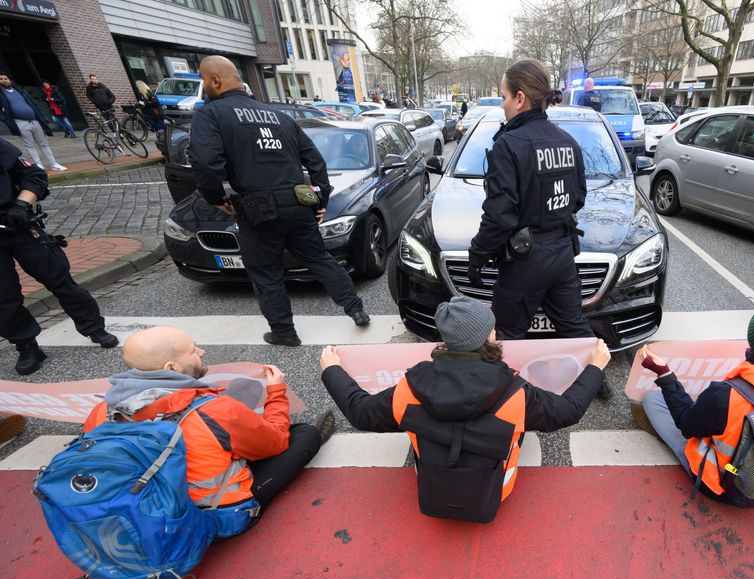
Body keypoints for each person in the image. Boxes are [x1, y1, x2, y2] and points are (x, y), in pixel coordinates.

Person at [319, 296, 611, 521]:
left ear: (446, 341)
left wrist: (332, 369)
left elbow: (360, 412)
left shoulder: (409, 388)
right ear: (489, 338)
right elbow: (567, 410)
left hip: (432, 485)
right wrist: (596, 367)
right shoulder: (516, 392)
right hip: (497, 490)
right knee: (519, 427)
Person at [83, 325, 334, 538]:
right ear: (171, 368)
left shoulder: (101, 410)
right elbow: (276, 442)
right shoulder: (214, 411)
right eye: (193, 350)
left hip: (139, 515)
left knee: (224, 427)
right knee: (302, 435)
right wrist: (276, 392)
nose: (201, 352)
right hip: (212, 519)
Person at [188, 55, 370, 347]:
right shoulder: (279, 116)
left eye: (202, 79)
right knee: (320, 260)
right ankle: (355, 308)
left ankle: (284, 332)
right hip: (297, 205)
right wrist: (320, 197)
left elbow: (205, 163)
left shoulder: (210, 115)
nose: (203, 85)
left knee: (266, 272)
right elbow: (315, 160)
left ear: (215, 80)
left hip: (257, 210)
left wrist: (216, 198)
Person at [466, 58, 611, 399]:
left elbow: (499, 215)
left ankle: (500, 396)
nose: (501, 104)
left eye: (502, 96)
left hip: (524, 261)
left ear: (519, 98)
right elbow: (578, 198)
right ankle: (597, 381)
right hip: (561, 254)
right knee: (573, 325)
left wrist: (478, 256)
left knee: (507, 333)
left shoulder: (508, 145)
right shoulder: (567, 142)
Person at [636, 301, 754, 507]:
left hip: (724, 488)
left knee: (653, 400)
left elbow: (686, 424)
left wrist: (665, 374)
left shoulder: (724, 395)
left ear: (752, 342)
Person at [0, 138, 116, 375]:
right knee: (3, 297)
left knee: (58, 278)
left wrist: (22, 204)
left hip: (16, 223)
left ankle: (93, 327)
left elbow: (34, 175)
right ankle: (27, 345)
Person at [0, 73, 65, 172]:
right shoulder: (1, 95)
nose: (4, 80)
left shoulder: (21, 91)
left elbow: (35, 105)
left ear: (10, 80)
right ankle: (38, 165)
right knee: (29, 145)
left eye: (6, 78)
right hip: (20, 122)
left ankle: (54, 164)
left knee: (43, 144)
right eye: (1, 79)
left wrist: (42, 117)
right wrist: (6, 120)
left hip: (35, 121)